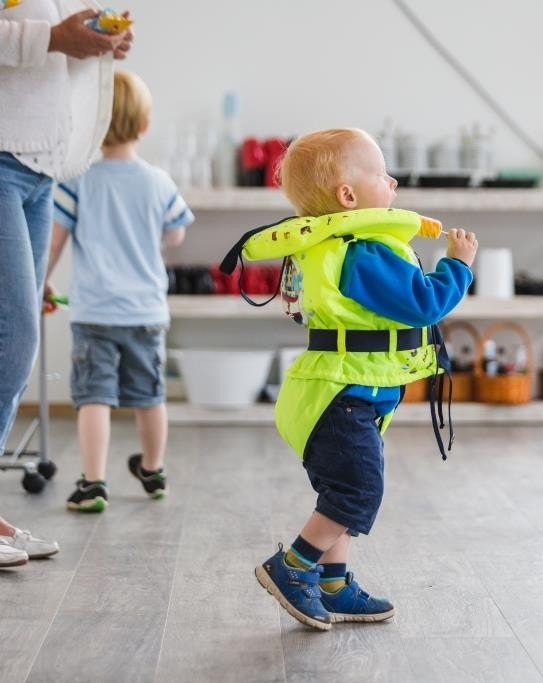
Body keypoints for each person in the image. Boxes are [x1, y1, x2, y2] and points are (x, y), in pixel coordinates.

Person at [224, 128, 477, 630]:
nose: (393, 180)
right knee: (358, 491)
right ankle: (293, 568)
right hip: (343, 394)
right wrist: (458, 267)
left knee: (339, 492)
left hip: (337, 390)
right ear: (348, 196)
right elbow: (424, 303)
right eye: (382, 174)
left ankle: (333, 583)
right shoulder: (364, 252)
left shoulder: (334, 246)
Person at [1, 2, 132, 551]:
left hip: (39, 167)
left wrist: (96, 44)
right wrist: (54, 37)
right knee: (14, 335)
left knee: (16, 334)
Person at [45, 69, 193, 512]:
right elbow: (176, 235)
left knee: (94, 396)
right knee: (150, 396)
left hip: (94, 313)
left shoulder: (77, 179)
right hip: (146, 313)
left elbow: (54, 242)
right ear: (144, 126)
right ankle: (153, 468)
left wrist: (42, 284)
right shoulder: (158, 181)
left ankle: (93, 482)